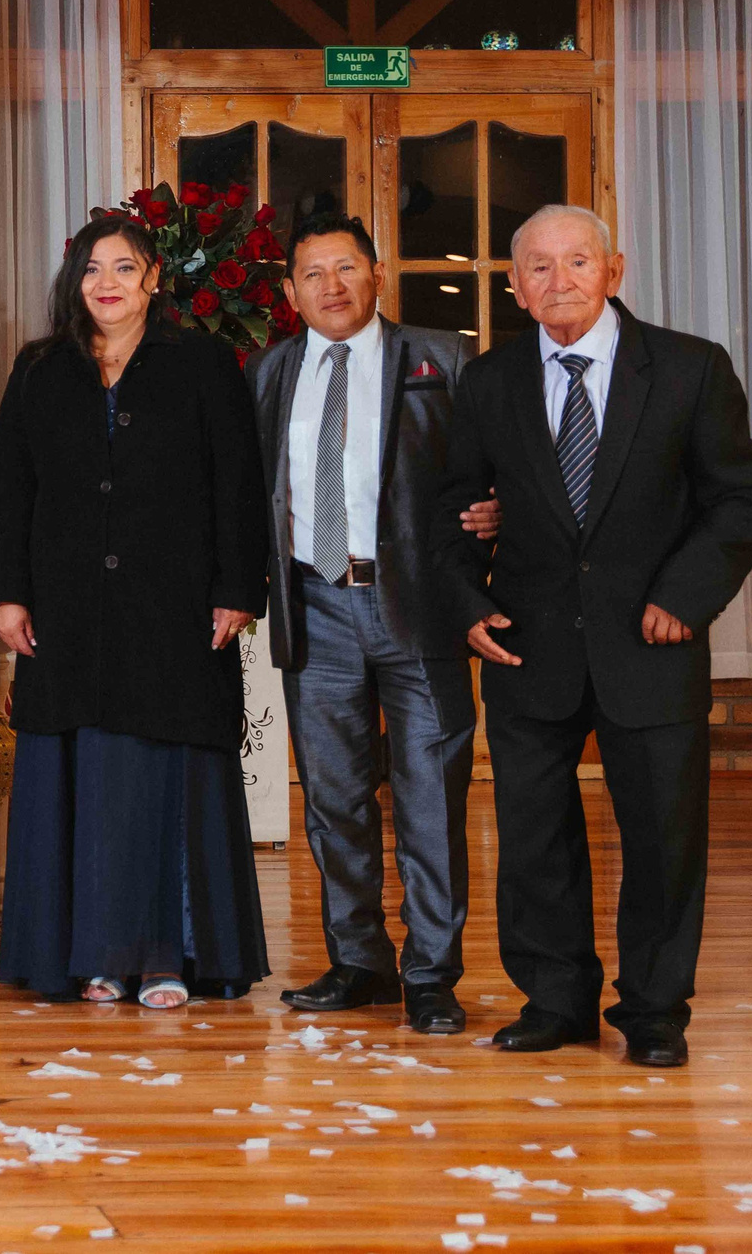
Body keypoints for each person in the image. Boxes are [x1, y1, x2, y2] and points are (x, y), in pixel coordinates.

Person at [432, 204, 752, 1068]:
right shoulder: (489, 381)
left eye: (578, 261)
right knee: (534, 837)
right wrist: (468, 604)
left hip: (652, 644)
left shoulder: (690, 368)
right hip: (526, 645)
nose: (560, 280)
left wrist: (685, 597)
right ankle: (556, 999)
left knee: (662, 839)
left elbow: (740, 499)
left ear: (613, 271)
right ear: (516, 287)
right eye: (539, 267)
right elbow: (455, 505)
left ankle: (655, 1010)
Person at [0, 211, 269, 1009]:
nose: (105, 283)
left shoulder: (203, 363)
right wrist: (8, 592)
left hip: (174, 608)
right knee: (81, 776)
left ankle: (168, 957)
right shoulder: (40, 369)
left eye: (122, 267)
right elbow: (11, 487)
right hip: (66, 611)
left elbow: (239, 483)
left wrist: (237, 589)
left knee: (162, 778)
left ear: (153, 278)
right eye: (91, 268)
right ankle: (93, 958)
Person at [249, 211, 500, 1035]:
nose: (332, 285)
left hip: (416, 605)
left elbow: (495, 464)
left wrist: (494, 518)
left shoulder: (441, 357)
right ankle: (359, 961)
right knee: (334, 799)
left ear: (377, 273)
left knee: (431, 795)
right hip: (313, 603)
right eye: (313, 273)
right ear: (291, 292)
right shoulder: (270, 370)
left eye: (346, 268)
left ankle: (431, 973)